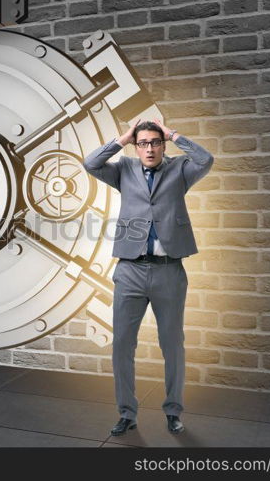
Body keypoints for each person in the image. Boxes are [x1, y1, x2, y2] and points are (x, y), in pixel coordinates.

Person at [82, 118, 214, 436]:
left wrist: (174, 134)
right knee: (123, 345)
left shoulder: (180, 169)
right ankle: (127, 413)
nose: (149, 148)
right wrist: (122, 139)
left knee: (173, 344)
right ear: (136, 146)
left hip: (169, 270)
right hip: (129, 269)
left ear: (163, 144)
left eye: (155, 142)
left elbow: (206, 160)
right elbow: (90, 162)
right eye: (143, 143)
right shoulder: (123, 169)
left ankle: (173, 411)